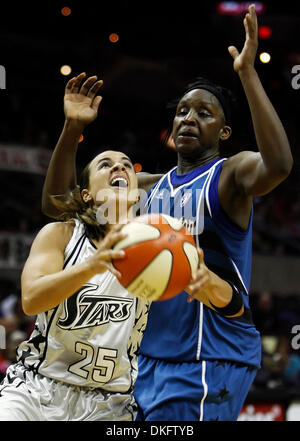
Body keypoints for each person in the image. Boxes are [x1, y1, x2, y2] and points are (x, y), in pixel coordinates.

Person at [41, 5, 293, 421]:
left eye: (204, 113)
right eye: (182, 111)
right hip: (151, 356)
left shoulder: (229, 175)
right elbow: (59, 203)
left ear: (223, 132)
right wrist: (72, 130)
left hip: (211, 352)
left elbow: (279, 165)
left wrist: (247, 73)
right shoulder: (147, 186)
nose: (189, 118)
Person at [0, 147, 150, 421]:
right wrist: (91, 266)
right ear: (87, 194)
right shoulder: (61, 235)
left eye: (126, 165)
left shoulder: (155, 250)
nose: (119, 168)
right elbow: (31, 300)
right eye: (105, 164)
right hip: (36, 389)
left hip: (110, 404)